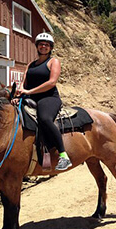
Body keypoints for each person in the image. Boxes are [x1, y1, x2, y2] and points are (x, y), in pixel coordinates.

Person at [14, 33, 72, 171]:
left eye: (47, 44)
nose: (43, 46)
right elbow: (23, 84)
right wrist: (19, 95)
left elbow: (51, 82)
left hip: (49, 98)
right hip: (31, 98)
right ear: (37, 46)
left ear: (50, 47)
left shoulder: (53, 62)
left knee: (45, 118)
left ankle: (64, 156)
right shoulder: (31, 65)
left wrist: (29, 92)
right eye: (41, 44)